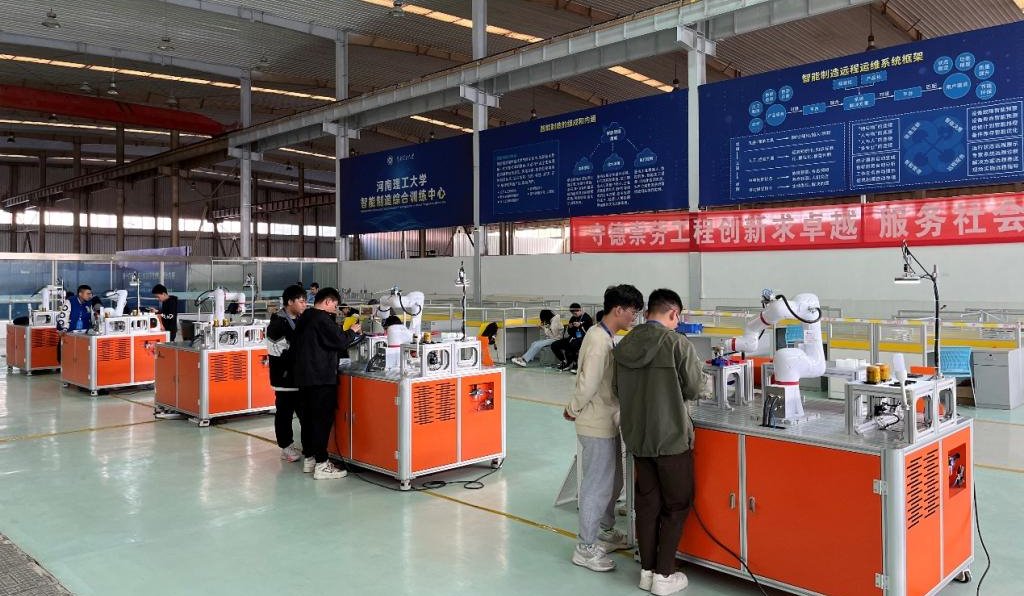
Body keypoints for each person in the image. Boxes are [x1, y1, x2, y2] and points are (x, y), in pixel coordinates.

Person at [612, 289, 708, 596]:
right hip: (670, 439)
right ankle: (665, 575)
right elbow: (695, 388)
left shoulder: (624, 344)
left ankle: (647, 572)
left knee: (647, 505)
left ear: (647, 312)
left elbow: (616, 389)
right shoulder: (676, 343)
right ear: (674, 314)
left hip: (638, 439)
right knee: (676, 504)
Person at [565, 285, 644, 573]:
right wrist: (572, 409)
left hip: (608, 420)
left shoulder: (608, 337)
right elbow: (588, 382)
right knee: (597, 486)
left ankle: (605, 530)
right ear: (618, 310)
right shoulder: (599, 340)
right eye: (633, 311)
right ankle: (585, 548)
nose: (634, 317)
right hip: (595, 422)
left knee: (613, 482)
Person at [290, 287, 362, 480]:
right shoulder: (322, 319)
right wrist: (353, 331)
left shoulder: (305, 317)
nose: (335, 309)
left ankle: (310, 458)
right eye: (335, 305)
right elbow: (340, 341)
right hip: (321, 378)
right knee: (321, 420)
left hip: (304, 377)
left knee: (307, 420)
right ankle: (322, 464)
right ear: (328, 302)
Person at [267, 285, 307, 464]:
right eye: (301, 301)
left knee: (304, 413)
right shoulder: (277, 324)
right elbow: (279, 353)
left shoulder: (301, 319)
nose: (304, 304)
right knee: (284, 413)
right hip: (284, 377)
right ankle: (286, 446)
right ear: (290, 302)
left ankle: (307, 446)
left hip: (300, 376)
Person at [551, 303, 593, 373]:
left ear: (580, 310)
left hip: (583, 339)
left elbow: (589, 332)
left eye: (575, 313)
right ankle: (564, 361)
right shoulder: (573, 318)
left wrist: (580, 326)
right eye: (573, 313)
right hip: (572, 338)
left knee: (573, 344)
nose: (574, 315)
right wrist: (570, 327)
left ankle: (576, 364)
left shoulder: (587, 318)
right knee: (554, 345)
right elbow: (570, 332)